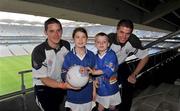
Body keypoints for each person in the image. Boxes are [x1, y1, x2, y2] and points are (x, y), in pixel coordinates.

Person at [31, 17, 76, 111]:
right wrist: (64, 86)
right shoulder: (38, 51)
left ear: (62, 31)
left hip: (61, 84)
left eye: (58, 30)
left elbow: (69, 65)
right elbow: (44, 79)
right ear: (45, 32)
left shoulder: (66, 45)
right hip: (44, 88)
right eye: (52, 31)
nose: (56, 34)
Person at [108, 19, 149, 111]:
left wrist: (134, 74)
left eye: (127, 33)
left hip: (121, 65)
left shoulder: (133, 41)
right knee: (106, 89)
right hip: (108, 67)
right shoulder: (108, 40)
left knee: (129, 85)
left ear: (131, 33)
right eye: (121, 32)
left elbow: (145, 57)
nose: (124, 36)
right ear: (117, 30)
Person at [61, 27, 96, 111]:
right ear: (73, 39)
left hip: (88, 95)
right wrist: (71, 77)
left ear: (87, 39)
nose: (80, 40)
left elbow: (95, 75)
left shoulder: (91, 55)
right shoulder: (68, 56)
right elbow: (63, 73)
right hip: (73, 96)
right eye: (77, 37)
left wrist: (94, 92)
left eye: (83, 37)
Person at [93, 32, 121, 111]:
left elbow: (109, 70)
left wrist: (94, 72)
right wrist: (94, 81)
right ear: (95, 44)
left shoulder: (112, 54)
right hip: (101, 89)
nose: (101, 44)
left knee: (112, 106)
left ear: (108, 44)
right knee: (100, 107)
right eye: (98, 42)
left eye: (104, 42)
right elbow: (93, 74)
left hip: (112, 88)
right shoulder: (94, 58)